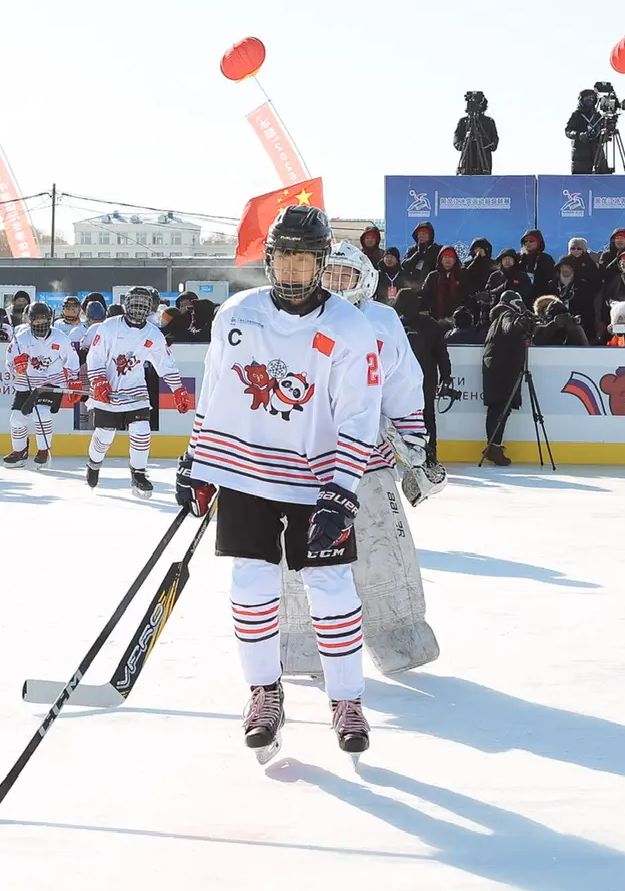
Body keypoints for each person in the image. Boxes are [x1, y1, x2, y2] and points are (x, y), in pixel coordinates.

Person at [173, 205, 379, 757]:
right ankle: (264, 693)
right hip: (246, 473)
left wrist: (343, 490)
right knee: (251, 587)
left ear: (320, 263)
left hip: (318, 481)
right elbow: (215, 388)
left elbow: (361, 414)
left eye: (304, 259)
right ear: (270, 259)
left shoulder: (348, 326)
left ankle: (346, 700)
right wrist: (197, 460)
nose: (292, 270)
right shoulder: (237, 314)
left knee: (331, 591)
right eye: (284, 257)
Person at [279, 241, 439, 678]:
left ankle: (398, 637)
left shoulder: (381, 320)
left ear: (364, 281)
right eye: (328, 275)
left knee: (383, 550)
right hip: (299, 460)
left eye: (344, 277)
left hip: (366, 457)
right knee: (296, 555)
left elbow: (405, 384)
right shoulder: (289, 316)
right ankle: (300, 644)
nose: (334, 285)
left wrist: (413, 441)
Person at [83, 286, 193, 496]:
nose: (138, 309)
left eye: (143, 305)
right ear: (127, 304)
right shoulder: (108, 327)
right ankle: (94, 464)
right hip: (108, 389)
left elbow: (166, 364)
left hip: (136, 391)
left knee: (142, 430)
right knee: (104, 435)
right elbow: (95, 356)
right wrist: (98, 381)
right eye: (135, 303)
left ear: (150, 308)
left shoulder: (153, 334)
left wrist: (178, 389)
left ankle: (139, 473)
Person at [3, 300, 75, 468]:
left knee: (42, 413)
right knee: (16, 419)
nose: (41, 323)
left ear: (50, 319)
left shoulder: (60, 338)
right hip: (26, 385)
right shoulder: (20, 339)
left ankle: (43, 450)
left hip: (51, 383)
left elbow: (72, 361)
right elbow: (9, 363)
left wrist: (72, 379)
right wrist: (16, 368)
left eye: (44, 319)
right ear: (30, 320)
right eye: (36, 319)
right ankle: (19, 451)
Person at [391, 288, 452, 465]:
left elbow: (441, 352)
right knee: (427, 416)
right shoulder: (422, 323)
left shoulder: (396, 323)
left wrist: (446, 375)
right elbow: (442, 353)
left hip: (403, 380)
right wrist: (446, 375)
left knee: (419, 416)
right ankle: (429, 454)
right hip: (422, 377)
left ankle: (422, 454)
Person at [479, 290, 531, 465]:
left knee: (497, 409)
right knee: (501, 409)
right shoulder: (507, 314)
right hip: (503, 369)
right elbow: (510, 328)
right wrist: (521, 323)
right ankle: (494, 447)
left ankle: (493, 446)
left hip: (495, 367)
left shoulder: (496, 318)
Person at [419, 244, 469, 321]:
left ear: (455, 260)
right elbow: (425, 294)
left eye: (450, 257)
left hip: (457, 318)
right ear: (440, 259)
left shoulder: (461, 275)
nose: (447, 260)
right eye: (445, 257)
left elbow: (467, 295)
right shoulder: (433, 276)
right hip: (436, 318)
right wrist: (424, 309)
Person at [453, 90, 498, 175]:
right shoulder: (464, 122)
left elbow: (494, 141)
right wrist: (462, 144)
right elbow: (456, 139)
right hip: (467, 162)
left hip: (483, 164)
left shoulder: (488, 122)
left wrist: (485, 142)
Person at [565, 88, 605, 174]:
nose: (589, 101)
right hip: (580, 156)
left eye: (592, 98)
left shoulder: (597, 116)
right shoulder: (577, 115)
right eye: (586, 98)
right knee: (580, 182)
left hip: (597, 154)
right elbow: (568, 131)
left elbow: (603, 131)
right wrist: (579, 135)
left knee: (603, 177)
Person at [515, 231, 556, 302]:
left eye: (531, 241)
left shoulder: (546, 258)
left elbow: (552, 278)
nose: (528, 243)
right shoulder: (517, 257)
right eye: (525, 241)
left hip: (540, 297)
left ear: (538, 243)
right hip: (520, 297)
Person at [460, 238, 496, 312]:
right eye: (476, 249)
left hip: (488, 297)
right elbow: (465, 275)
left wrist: (484, 259)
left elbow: (495, 275)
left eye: (481, 249)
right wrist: (476, 260)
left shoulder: (492, 263)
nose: (479, 251)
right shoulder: (467, 262)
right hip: (471, 297)